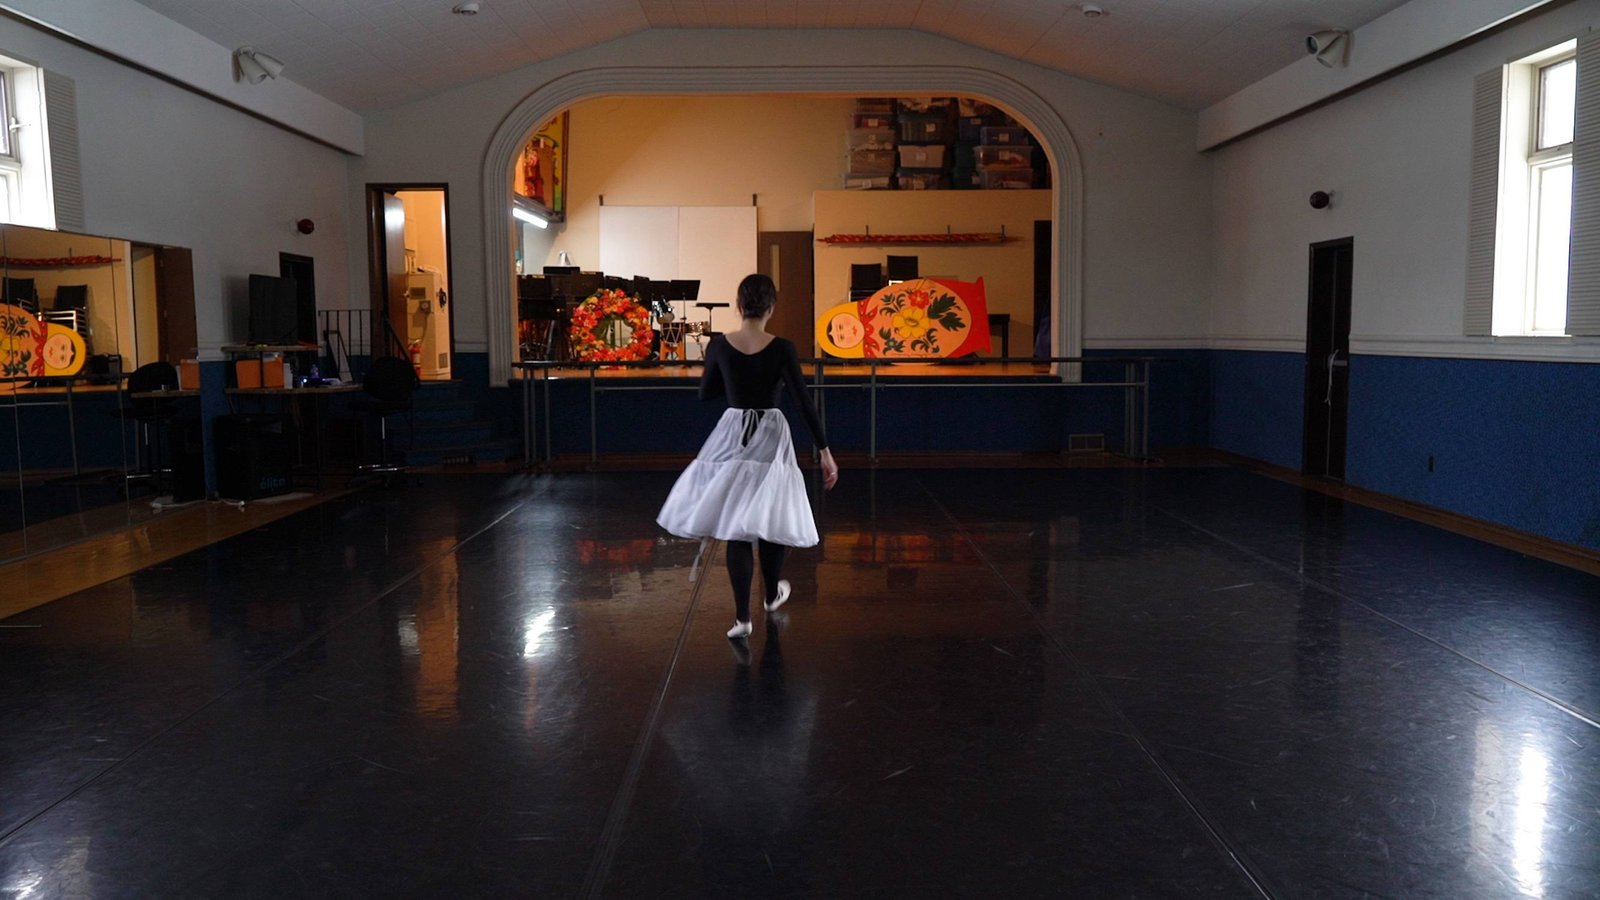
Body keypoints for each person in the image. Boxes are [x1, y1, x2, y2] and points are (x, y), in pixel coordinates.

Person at [657, 273, 839, 640]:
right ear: (770, 307)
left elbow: (706, 394)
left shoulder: (721, 346)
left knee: (737, 527)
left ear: (739, 306)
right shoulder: (783, 347)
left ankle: (742, 618)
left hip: (733, 435)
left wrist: (732, 378)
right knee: (768, 517)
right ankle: (771, 596)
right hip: (771, 435)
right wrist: (824, 450)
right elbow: (804, 402)